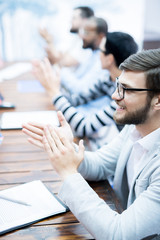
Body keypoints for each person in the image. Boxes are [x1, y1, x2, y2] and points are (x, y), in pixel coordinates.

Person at [23, 48, 160, 239]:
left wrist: (69, 173)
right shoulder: (136, 127)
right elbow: (100, 164)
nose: (115, 96)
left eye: (126, 90)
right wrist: (64, 149)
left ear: (158, 100)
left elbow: (118, 235)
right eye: (117, 85)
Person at [32, 32, 138, 150]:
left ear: (109, 59)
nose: (98, 55)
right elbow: (76, 99)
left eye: (101, 51)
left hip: (123, 154)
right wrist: (52, 84)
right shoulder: (108, 80)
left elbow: (84, 127)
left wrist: (54, 92)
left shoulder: (124, 95)